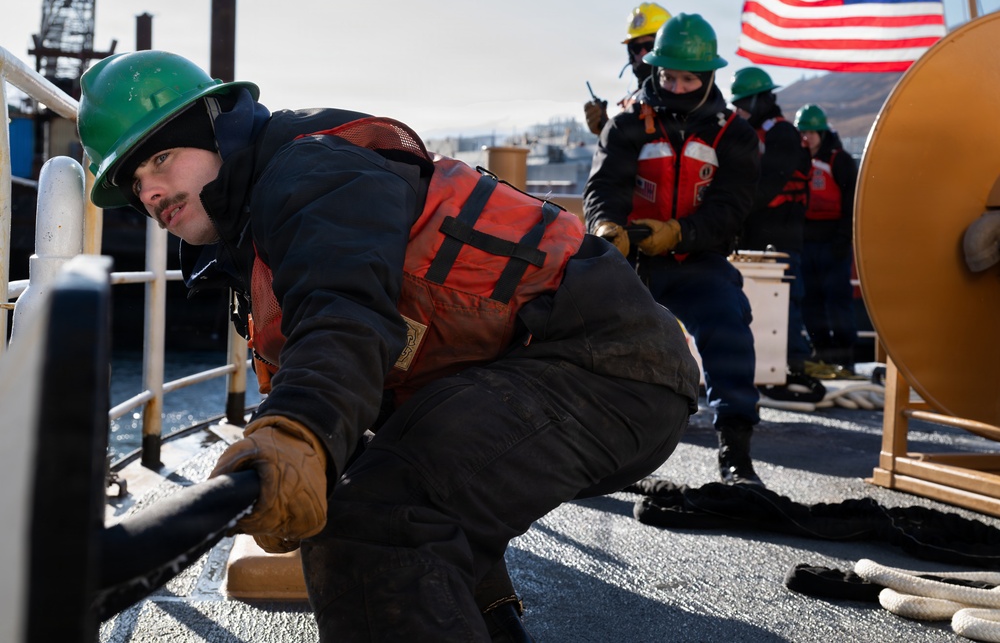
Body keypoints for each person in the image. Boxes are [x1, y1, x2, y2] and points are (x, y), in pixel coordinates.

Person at [76, 49, 700, 642]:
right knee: (391, 478)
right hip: (540, 364)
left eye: (160, 160)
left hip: (607, 366)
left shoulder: (312, 171)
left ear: (220, 128)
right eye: (134, 182)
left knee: (374, 523)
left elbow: (343, 310)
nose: (149, 193)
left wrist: (298, 432)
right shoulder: (252, 236)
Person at [583, 13, 764, 486]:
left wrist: (679, 233)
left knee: (728, 325)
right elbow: (604, 186)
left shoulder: (735, 136)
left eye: (688, 79)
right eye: (668, 76)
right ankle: (590, 454)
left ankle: (736, 457)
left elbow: (730, 209)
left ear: (707, 78)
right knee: (598, 345)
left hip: (696, 261)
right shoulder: (626, 124)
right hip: (634, 262)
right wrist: (606, 227)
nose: (676, 87)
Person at [730, 67, 823, 400]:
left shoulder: (781, 134)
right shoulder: (752, 132)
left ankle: (794, 368)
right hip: (757, 237)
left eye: (743, 104)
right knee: (758, 304)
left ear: (759, 100)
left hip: (782, 238)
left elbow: (766, 187)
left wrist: (732, 212)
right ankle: (765, 367)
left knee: (786, 304)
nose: (738, 110)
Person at [795, 104, 860, 376]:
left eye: (812, 132)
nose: (807, 138)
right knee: (810, 301)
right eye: (803, 132)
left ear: (822, 132)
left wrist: (843, 240)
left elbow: (851, 203)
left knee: (838, 302)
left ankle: (845, 358)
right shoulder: (798, 161)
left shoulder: (839, 160)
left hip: (833, 244)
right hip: (806, 244)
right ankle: (820, 353)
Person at [584, 2, 670, 136]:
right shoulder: (630, 102)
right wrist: (607, 130)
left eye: (649, 46)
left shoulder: (681, 95)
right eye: (635, 48)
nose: (642, 53)